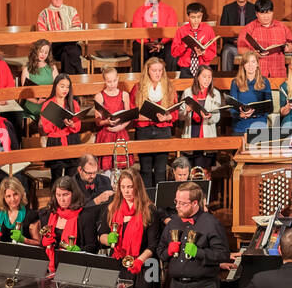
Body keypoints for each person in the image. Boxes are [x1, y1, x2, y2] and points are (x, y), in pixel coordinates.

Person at [160, 182, 229, 288]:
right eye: (176, 202)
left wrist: (199, 253)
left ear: (195, 203)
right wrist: (168, 251)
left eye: (182, 203)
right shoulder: (173, 223)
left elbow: (223, 255)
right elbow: (160, 251)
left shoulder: (211, 223)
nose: (177, 206)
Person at [99, 167, 161, 288]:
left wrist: (139, 261)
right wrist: (108, 239)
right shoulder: (112, 209)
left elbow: (153, 245)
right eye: (123, 187)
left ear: (137, 187)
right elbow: (101, 235)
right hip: (119, 263)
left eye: (130, 187)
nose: (126, 191)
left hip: (144, 265)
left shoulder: (149, 211)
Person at [132, 57, 178, 190]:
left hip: (163, 131)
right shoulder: (138, 87)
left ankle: (160, 206)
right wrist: (148, 118)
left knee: (160, 170)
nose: (158, 73)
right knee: (145, 170)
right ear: (147, 71)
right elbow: (133, 112)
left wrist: (166, 117)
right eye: (154, 70)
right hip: (144, 131)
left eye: (160, 70)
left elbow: (174, 112)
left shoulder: (168, 87)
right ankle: (146, 203)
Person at [39, 74, 84, 183]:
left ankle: (72, 199)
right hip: (55, 141)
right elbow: (46, 128)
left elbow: (78, 125)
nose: (65, 90)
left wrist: (72, 125)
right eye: (62, 86)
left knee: (72, 178)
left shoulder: (73, 103)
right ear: (55, 86)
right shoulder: (48, 104)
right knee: (57, 179)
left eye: (67, 87)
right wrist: (59, 122)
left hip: (72, 140)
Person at [180, 64, 223, 172]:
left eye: (209, 77)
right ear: (197, 77)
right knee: (191, 173)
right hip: (191, 134)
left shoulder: (215, 94)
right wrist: (187, 111)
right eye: (204, 76)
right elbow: (180, 116)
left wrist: (210, 116)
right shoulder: (187, 92)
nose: (207, 80)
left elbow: (217, 117)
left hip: (207, 136)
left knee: (205, 173)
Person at [35, 0, 84, 75]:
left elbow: (77, 29)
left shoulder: (71, 11)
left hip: (71, 44)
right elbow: (43, 38)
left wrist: (64, 35)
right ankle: (80, 75)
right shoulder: (43, 14)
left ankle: (65, 79)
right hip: (54, 48)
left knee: (68, 51)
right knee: (71, 51)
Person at [93, 67, 135, 174]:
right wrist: (107, 122)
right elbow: (98, 121)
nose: (112, 84)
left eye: (114, 81)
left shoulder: (124, 95)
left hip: (120, 133)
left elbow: (128, 116)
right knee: (107, 169)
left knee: (121, 169)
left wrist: (120, 127)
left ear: (118, 78)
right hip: (106, 134)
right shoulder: (99, 96)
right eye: (109, 81)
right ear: (104, 81)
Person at [238, 0, 292, 79]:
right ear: (257, 14)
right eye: (262, 13)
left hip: (278, 71)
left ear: (273, 12)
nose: (266, 17)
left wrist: (288, 48)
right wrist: (254, 54)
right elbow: (241, 49)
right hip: (257, 72)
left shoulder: (282, 27)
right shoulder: (249, 28)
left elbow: (291, 45)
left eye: (269, 13)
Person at [130, 0, 179, 71]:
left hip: (164, 43)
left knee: (172, 52)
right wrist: (147, 43)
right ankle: (138, 81)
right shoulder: (139, 11)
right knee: (138, 51)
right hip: (144, 43)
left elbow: (171, 31)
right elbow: (137, 32)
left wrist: (161, 44)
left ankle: (170, 81)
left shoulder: (169, 10)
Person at [40, 177, 97, 254]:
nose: (62, 199)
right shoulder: (48, 214)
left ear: (74, 194)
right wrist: (44, 242)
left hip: (75, 263)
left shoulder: (85, 216)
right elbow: (42, 246)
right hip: (50, 262)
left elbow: (93, 247)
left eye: (65, 195)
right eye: (58, 195)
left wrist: (79, 251)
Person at [229, 51, 272, 138]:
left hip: (259, 121)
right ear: (243, 65)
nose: (250, 65)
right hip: (241, 123)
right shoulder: (235, 82)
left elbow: (269, 107)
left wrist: (254, 113)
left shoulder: (264, 82)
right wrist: (240, 114)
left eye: (253, 62)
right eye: (247, 62)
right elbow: (232, 107)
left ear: (257, 64)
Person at [171, 2, 218, 78]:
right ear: (188, 16)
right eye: (193, 17)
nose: (196, 20)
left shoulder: (208, 30)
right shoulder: (181, 31)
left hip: (203, 66)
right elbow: (174, 52)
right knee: (184, 88)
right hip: (186, 67)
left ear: (202, 15)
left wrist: (204, 52)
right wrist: (185, 45)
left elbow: (212, 53)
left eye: (199, 17)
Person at [0, 176, 40, 244]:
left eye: (15, 194)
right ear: (3, 197)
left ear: (21, 193)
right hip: (1, 253)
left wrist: (24, 240)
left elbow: (39, 243)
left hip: (23, 253)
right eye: (8, 196)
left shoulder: (31, 216)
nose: (13, 199)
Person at [218, 0, 254, 73]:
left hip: (249, 45)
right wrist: (235, 41)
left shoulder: (254, 8)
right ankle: (226, 82)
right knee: (226, 52)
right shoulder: (227, 9)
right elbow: (223, 31)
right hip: (233, 45)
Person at [19, 39, 56, 122]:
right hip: (33, 103)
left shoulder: (52, 67)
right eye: (41, 51)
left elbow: (57, 87)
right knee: (45, 116)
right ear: (35, 51)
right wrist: (36, 101)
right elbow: (25, 93)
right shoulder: (27, 69)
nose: (43, 54)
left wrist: (48, 99)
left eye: (46, 52)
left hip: (49, 102)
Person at [72, 153, 115, 225]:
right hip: (82, 224)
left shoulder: (105, 180)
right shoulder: (72, 185)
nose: (92, 176)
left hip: (104, 222)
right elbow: (77, 212)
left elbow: (111, 206)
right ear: (80, 170)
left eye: (95, 172)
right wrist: (97, 200)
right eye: (89, 173)